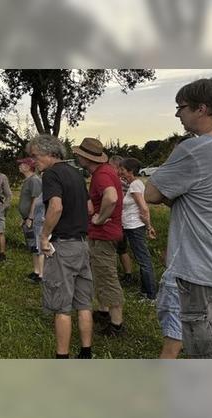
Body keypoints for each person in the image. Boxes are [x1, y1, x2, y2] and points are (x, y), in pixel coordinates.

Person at [146, 78, 212, 358]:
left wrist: (178, 195)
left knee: (211, 356)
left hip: (205, 271)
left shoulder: (195, 149)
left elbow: (151, 193)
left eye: (181, 107)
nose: (178, 115)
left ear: (201, 109)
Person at [28, 134, 93, 359]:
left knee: (61, 306)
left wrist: (44, 236)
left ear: (50, 153)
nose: (33, 161)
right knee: (84, 303)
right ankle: (86, 352)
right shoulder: (76, 174)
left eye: (35, 156)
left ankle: (62, 357)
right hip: (83, 245)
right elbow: (90, 208)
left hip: (63, 246)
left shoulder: (51, 174)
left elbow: (55, 207)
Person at [73, 137, 126, 337]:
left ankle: (116, 324)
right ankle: (104, 312)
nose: (77, 157)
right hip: (102, 234)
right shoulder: (103, 172)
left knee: (107, 276)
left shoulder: (102, 174)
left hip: (104, 234)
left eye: (80, 155)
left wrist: (100, 218)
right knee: (100, 274)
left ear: (88, 157)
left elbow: (111, 197)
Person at [118, 157, 157, 300]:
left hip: (135, 227)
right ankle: (145, 292)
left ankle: (151, 295)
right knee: (141, 260)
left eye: (122, 169)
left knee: (144, 260)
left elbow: (144, 208)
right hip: (130, 226)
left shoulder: (135, 185)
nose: (120, 172)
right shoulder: (134, 185)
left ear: (130, 171)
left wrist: (149, 227)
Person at [16, 157, 44, 283]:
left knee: (38, 245)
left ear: (28, 166)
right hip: (28, 218)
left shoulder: (34, 180)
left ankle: (41, 275)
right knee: (33, 245)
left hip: (36, 219)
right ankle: (36, 271)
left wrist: (31, 217)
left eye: (22, 164)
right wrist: (25, 218)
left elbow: (36, 200)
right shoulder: (27, 180)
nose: (20, 166)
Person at [108, 155, 133, 285]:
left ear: (117, 168)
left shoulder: (117, 182)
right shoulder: (126, 182)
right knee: (122, 249)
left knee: (117, 249)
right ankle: (127, 274)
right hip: (122, 220)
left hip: (118, 220)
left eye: (111, 167)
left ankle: (117, 275)